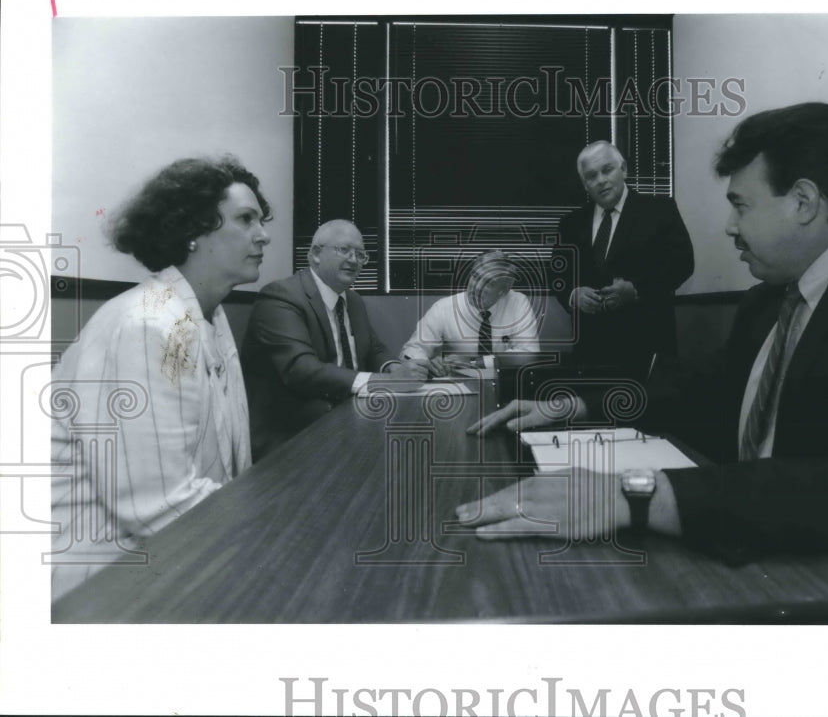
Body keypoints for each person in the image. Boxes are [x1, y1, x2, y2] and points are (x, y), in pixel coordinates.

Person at [458, 103, 828, 622]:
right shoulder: (769, 300)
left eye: (741, 205)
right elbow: (701, 391)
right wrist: (577, 404)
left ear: (804, 201)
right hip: (754, 559)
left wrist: (633, 497)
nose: (729, 227)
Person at [49, 155, 271, 601]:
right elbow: (158, 506)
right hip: (93, 578)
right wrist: (276, 522)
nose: (263, 235)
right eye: (246, 220)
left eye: (261, 221)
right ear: (192, 232)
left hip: (166, 550)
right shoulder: (149, 325)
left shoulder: (204, 314)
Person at [241, 219, 423, 460]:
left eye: (360, 254)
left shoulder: (353, 300)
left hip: (350, 421)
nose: (354, 260)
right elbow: (302, 370)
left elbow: (374, 349)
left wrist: (395, 367)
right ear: (315, 254)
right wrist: (387, 382)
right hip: (294, 437)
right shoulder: (282, 296)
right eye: (343, 250)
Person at [553, 140, 694, 380]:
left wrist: (637, 289)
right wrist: (573, 294)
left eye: (607, 170)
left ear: (624, 169)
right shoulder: (570, 224)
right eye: (591, 176)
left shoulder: (659, 210)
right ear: (585, 184)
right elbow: (557, 275)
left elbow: (682, 263)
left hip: (648, 344)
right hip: (591, 351)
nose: (600, 180)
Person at [399, 250, 540, 377]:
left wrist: (473, 361)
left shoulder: (518, 303)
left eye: (489, 283)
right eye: (475, 276)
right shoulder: (445, 307)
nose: (477, 287)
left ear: (503, 291)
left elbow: (529, 355)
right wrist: (427, 365)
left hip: (504, 383)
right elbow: (412, 349)